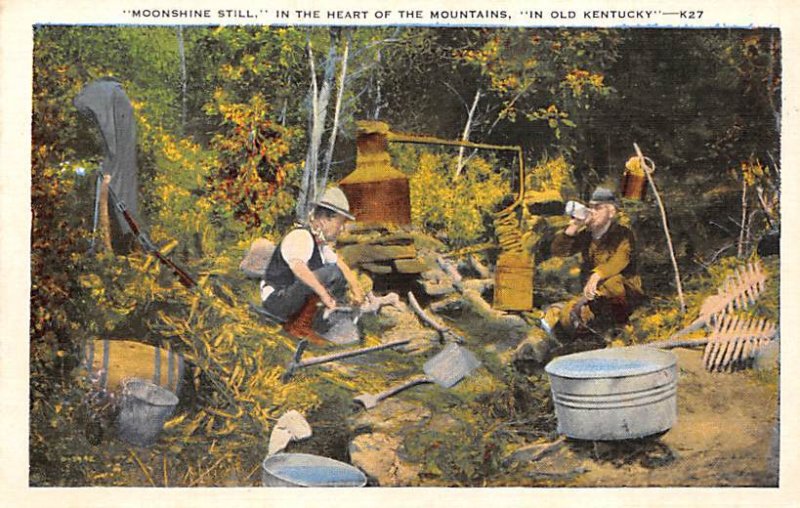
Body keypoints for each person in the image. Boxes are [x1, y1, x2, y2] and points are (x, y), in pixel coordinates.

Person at [261, 186, 365, 344]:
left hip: (291, 299)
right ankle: (297, 326)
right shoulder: (301, 236)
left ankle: (306, 322)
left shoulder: (321, 245)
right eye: (340, 223)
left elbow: (340, 264)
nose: (342, 229)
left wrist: (356, 288)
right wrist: (324, 294)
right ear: (325, 220)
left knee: (337, 273)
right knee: (331, 274)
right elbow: (299, 269)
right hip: (277, 300)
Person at [542, 187, 643, 341]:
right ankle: (590, 333)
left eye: (598, 208)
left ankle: (619, 327)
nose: (592, 212)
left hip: (623, 294)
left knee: (612, 283)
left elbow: (620, 260)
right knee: (565, 317)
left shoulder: (623, 234)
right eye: (591, 207)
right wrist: (574, 226)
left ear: (611, 213)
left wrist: (597, 275)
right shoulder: (587, 236)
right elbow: (559, 251)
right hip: (594, 296)